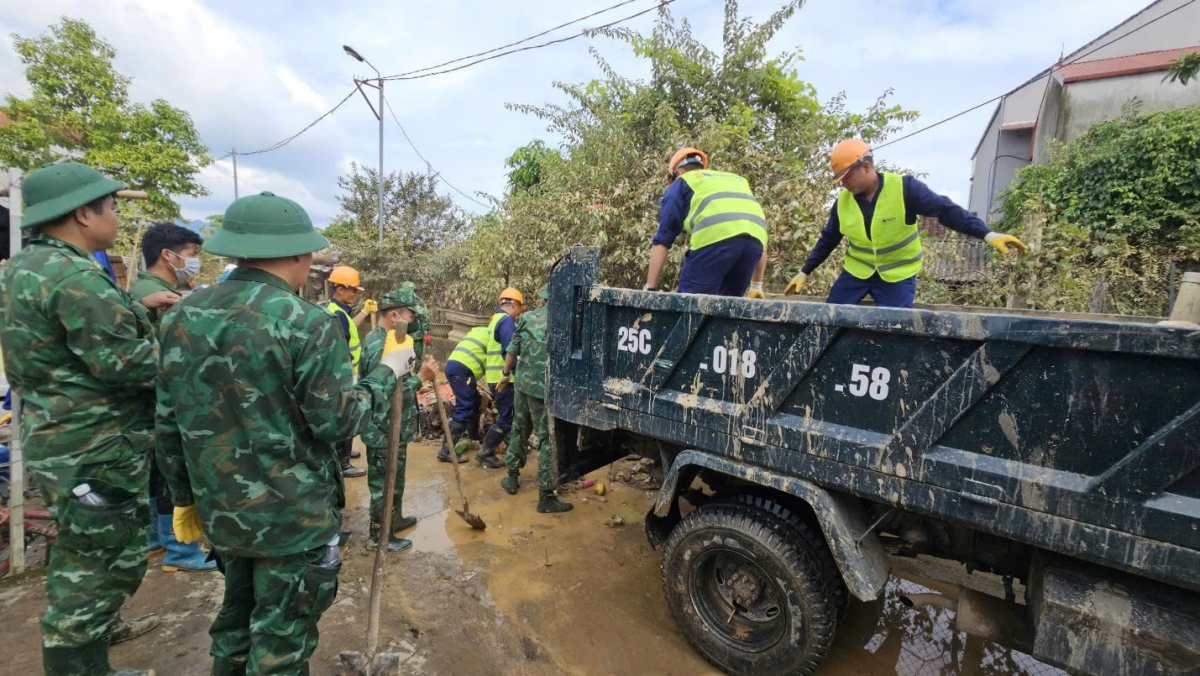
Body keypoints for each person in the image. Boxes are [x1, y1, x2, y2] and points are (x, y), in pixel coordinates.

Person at [155, 191, 417, 675]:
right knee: (281, 643)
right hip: (290, 521)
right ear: (301, 254)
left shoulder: (182, 317)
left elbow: (168, 421)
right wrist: (387, 373)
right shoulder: (305, 323)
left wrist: (185, 497)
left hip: (223, 509)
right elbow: (338, 422)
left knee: (234, 628)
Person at [0, 162, 179, 676]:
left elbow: (66, 345)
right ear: (83, 213)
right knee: (98, 566)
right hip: (94, 445)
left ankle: (98, 634)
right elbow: (129, 365)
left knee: (84, 551)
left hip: (58, 436)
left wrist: (136, 310)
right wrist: (193, 345)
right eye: (111, 207)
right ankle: (80, 665)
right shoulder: (76, 277)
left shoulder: (25, 267)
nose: (117, 217)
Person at [784, 139, 1029, 307]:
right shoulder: (843, 202)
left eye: (846, 177)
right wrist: (804, 272)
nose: (844, 184)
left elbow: (945, 210)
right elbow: (829, 239)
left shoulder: (905, 189)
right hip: (856, 273)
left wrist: (987, 234)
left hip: (897, 276)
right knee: (830, 319)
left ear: (866, 167)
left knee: (894, 331)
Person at [128, 223, 216, 573]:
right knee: (169, 472)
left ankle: (155, 540)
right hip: (159, 400)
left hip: (146, 402)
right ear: (169, 254)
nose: (193, 262)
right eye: (192, 255)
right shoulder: (158, 293)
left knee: (154, 473)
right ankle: (180, 551)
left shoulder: (146, 290)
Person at [644, 147, 769, 298]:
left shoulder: (683, 181)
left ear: (678, 172)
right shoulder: (735, 180)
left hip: (715, 240)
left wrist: (649, 288)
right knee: (726, 310)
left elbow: (662, 241)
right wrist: (756, 285)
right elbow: (758, 233)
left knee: (689, 306)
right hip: (754, 245)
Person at [359, 287, 430, 552]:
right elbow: (385, 391)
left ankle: (394, 519)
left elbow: (397, 378)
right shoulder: (380, 345)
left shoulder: (392, 340)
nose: (413, 322)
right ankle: (378, 536)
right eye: (410, 317)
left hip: (395, 427)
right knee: (383, 484)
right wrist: (420, 378)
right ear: (394, 315)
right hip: (382, 428)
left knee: (396, 479)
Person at [498, 285, 573, 513]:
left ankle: (511, 478)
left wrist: (504, 374)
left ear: (544, 298)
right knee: (546, 440)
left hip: (522, 384)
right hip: (544, 391)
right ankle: (546, 496)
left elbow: (512, 349)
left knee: (519, 429)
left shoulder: (526, 318)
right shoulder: (566, 322)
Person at [325, 265, 376, 479]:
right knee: (347, 415)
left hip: (348, 371)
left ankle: (343, 452)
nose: (355, 294)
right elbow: (342, 347)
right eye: (353, 290)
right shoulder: (335, 314)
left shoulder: (340, 312)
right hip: (345, 373)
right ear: (340, 289)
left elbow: (351, 329)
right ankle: (343, 462)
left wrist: (364, 312)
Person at [475, 287, 524, 469]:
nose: (520, 313)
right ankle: (485, 452)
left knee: (508, 416)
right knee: (506, 418)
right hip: (504, 378)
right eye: (520, 308)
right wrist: (518, 373)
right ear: (513, 304)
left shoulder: (495, 319)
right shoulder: (505, 321)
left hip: (496, 377)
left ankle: (513, 448)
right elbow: (509, 350)